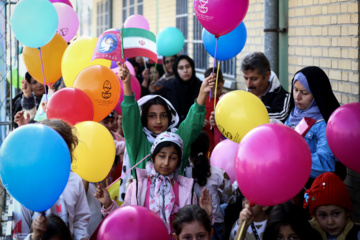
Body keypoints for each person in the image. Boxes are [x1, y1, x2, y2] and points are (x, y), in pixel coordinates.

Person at [113, 61, 215, 202]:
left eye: (163, 116)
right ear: (144, 119)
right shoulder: (138, 141)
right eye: (152, 116)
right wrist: (126, 85)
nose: (159, 121)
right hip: (141, 209)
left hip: (176, 210)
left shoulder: (177, 139)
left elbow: (192, 125)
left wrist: (203, 93)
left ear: (171, 117)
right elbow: (130, 116)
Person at [95, 132, 212, 237]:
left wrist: (207, 215)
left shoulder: (185, 191)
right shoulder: (137, 186)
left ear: (178, 162)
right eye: (162, 156)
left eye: (172, 158)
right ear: (153, 157)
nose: (166, 162)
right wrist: (108, 203)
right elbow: (126, 220)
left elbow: (193, 229)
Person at [13, 119, 90, 240]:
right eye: (49, 146)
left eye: (61, 146)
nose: (55, 152)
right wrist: (34, 237)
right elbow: (19, 233)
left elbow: (80, 219)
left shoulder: (74, 180)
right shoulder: (27, 183)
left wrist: (81, 237)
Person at [284, 66, 342, 180]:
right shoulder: (294, 114)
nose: (297, 97)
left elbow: (325, 164)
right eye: (295, 90)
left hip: (312, 188)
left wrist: (290, 161)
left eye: (304, 93)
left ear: (317, 95)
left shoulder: (325, 124)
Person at [186, 131, 233, 240]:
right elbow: (231, 198)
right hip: (215, 224)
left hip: (188, 225)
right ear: (208, 148)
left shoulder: (182, 172)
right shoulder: (218, 173)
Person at [303, 172, 360, 240]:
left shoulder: (357, 235)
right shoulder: (306, 234)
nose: (330, 222)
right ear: (315, 216)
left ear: (347, 212)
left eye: (336, 213)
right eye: (323, 215)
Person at [241, 52, 291, 122]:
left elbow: (279, 118)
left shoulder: (284, 98)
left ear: (267, 75)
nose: (249, 84)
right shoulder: (242, 97)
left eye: (254, 79)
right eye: (246, 78)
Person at [154, 55, 203, 123]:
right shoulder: (169, 87)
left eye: (188, 67)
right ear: (176, 70)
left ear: (192, 67)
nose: (185, 71)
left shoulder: (201, 87)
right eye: (181, 68)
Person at [203, 67, 225, 155]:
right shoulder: (201, 101)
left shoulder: (227, 100)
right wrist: (199, 124)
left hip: (222, 145)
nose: (215, 92)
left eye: (218, 88)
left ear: (223, 82)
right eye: (211, 89)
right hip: (206, 145)